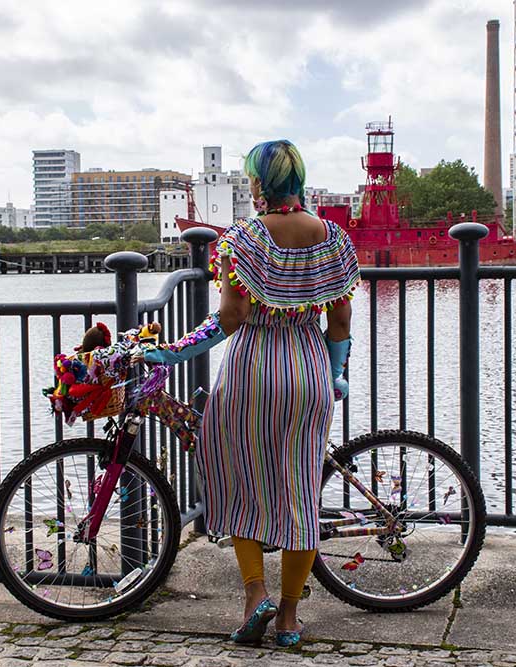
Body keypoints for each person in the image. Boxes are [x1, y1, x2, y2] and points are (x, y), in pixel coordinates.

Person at [145, 139, 359, 646]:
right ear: (300, 179)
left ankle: (253, 596)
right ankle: (287, 619)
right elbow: (342, 320)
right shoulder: (335, 240)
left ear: (259, 184)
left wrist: (171, 352)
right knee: (300, 491)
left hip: (252, 372)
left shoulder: (244, 239)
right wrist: (331, 375)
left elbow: (231, 318)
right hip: (307, 371)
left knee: (239, 478)